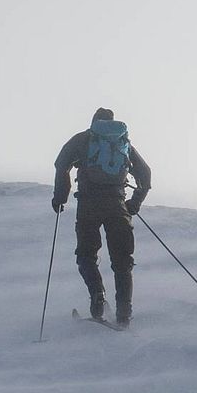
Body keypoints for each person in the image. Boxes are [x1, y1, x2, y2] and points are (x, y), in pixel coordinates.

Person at [52, 107, 151, 326]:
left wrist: (60, 197)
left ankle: (97, 295)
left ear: (94, 122)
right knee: (122, 263)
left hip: (88, 205)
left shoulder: (83, 139)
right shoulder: (123, 142)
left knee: (86, 255)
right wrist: (134, 203)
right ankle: (124, 314)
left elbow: (61, 166)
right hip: (117, 206)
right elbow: (145, 173)